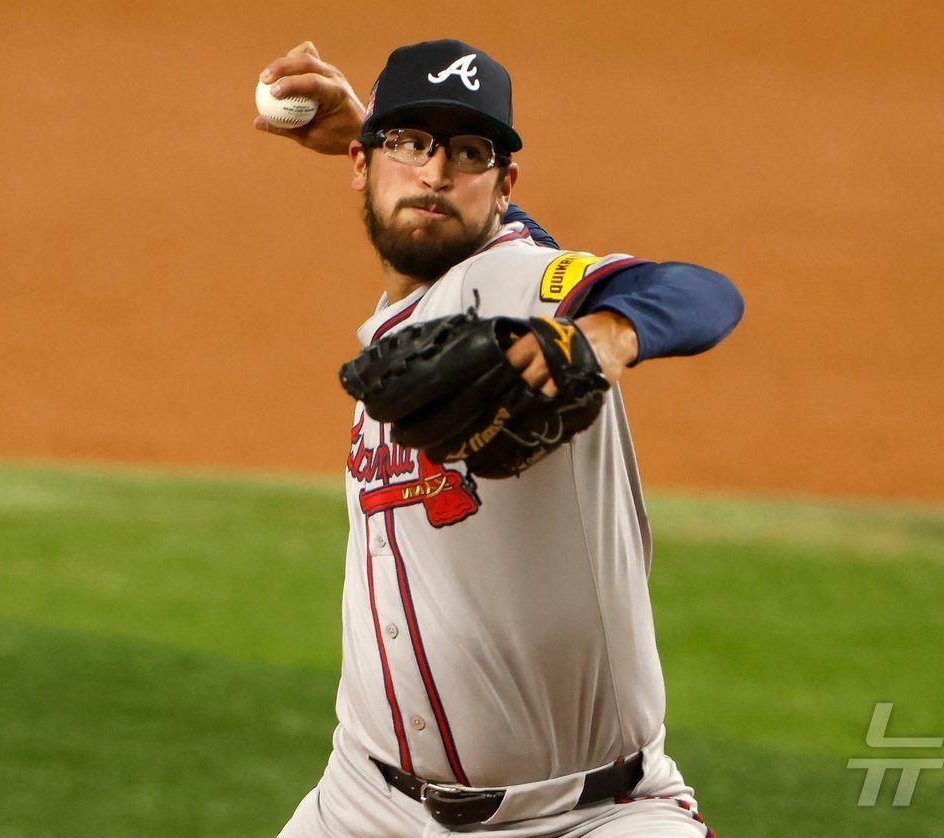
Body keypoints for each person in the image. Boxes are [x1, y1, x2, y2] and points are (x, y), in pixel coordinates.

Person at [257, 38, 743, 837]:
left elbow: (699, 292)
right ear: (361, 160)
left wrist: (604, 339)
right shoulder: (402, 322)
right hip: (363, 804)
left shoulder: (522, 284)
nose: (437, 174)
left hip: (583, 817)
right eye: (411, 144)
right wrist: (371, 129)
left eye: (469, 152)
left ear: (504, 183)